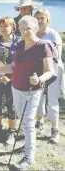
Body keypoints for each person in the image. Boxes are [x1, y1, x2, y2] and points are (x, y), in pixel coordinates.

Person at [0, 15, 54, 170]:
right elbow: (13, 67)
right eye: (22, 28)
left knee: (28, 123)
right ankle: (29, 145)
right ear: (18, 29)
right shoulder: (19, 45)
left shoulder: (43, 46)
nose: (25, 31)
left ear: (35, 28)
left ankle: (28, 158)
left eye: (28, 28)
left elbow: (50, 71)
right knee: (23, 121)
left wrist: (39, 79)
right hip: (16, 87)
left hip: (32, 91)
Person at [0, 17, 21, 144]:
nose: (3, 28)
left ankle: (11, 130)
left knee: (11, 105)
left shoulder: (18, 43)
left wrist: (9, 77)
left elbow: (20, 63)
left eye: (6, 26)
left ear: (13, 27)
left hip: (11, 79)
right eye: (1, 26)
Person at [34, 9, 63, 144]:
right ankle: (39, 123)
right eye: (37, 18)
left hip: (53, 72)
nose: (40, 21)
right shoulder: (33, 34)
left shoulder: (53, 35)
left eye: (42, 18)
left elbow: (56, 56)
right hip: (37, 72)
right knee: (38, 100)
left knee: (52, 102)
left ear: (48, 20)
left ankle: (54, 129)